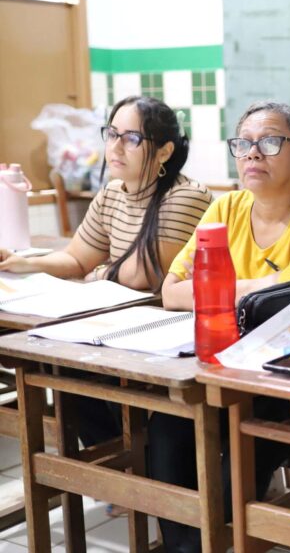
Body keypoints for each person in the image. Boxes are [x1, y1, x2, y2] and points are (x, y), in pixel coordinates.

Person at [153, 101, 290, 552]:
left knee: (246, 432)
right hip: (233, 362)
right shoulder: (226, 208)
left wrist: (215, 288)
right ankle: (187, 545)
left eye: (269, 142)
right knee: (167, 425)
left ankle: (201, 543)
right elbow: (171, 291)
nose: (252, 153)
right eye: (244, 143)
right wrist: (257, 286)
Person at [0, 96, 211, 451]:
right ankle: (116, 456)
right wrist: (22, 262)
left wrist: (98, 272)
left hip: (164, 331)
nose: (116, 146)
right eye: (112, 134)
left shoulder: (187, 196)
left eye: (132, 138)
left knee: (74, 365)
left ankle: (133, 459)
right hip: (115, 321)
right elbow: (76, 259)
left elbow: (142, 276)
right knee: (59, 365)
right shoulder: (112, 193)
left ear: (164, 151)